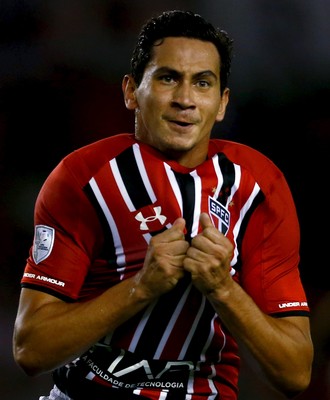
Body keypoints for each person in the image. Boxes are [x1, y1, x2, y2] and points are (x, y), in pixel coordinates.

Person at [12, 9, 313, 400]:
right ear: (131, 90)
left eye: (202, 83)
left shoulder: (259, 186)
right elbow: (30, 349)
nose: (185, 100)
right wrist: (142, 286)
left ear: (221, 103)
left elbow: (294, 372)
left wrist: (224, 289)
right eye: (169, 78)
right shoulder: (83, 178)